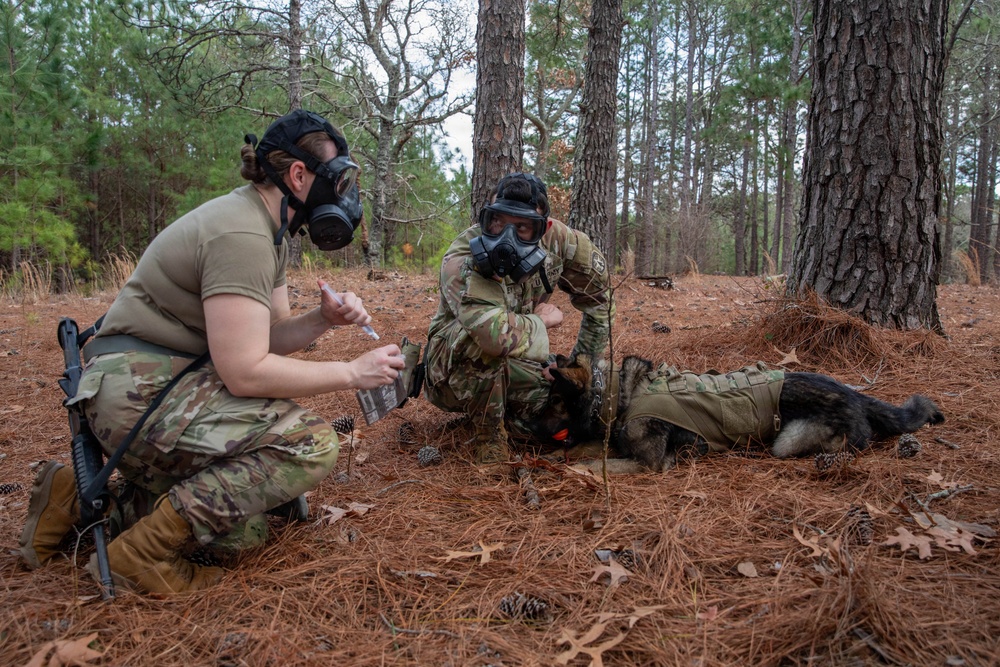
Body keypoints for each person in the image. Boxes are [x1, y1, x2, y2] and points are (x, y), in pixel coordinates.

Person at [18, 109, 405, 595]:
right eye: (337, 180)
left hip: (162, 379)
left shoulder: (268, 230)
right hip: (136, 389)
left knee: (242, 532)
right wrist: (351, 372)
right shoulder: (241, 234)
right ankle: (135, 557)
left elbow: (265, 336)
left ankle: (76, 500)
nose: (342, 196)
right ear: (298, 175)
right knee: (310, 443)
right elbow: (244, 372)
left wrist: (322, 319)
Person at [424, 173, 614, 463]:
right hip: (452, 370)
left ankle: (510, 417)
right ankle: (489, 438)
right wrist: (541, 322)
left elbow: (600, 299)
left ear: (544, 227)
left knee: (560, 416)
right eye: (498, 222)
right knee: (485, 342)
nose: (505, 237)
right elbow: (492, 335)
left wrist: (577, 370)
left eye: (523, 227)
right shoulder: (464, 257)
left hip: (516, 361)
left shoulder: (562, 242)